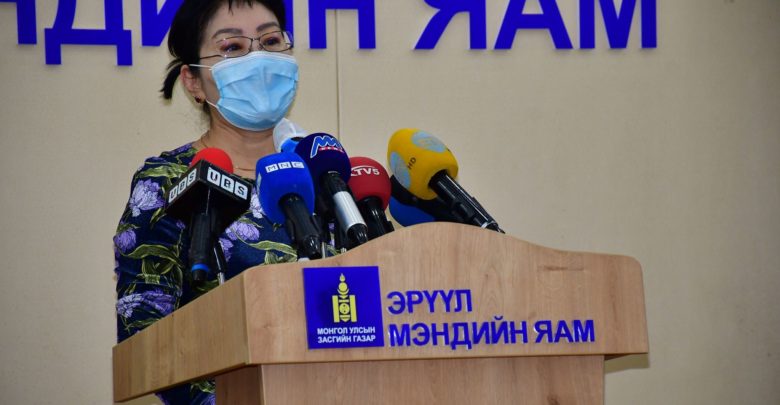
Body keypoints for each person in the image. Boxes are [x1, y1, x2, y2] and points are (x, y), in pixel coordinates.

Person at [113, 1, 298, 403]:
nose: (258, 59)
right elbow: (145, 335)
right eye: (232, 47)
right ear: (193, 82)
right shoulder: (167, 181)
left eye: (270, 41)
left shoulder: (323, 173)